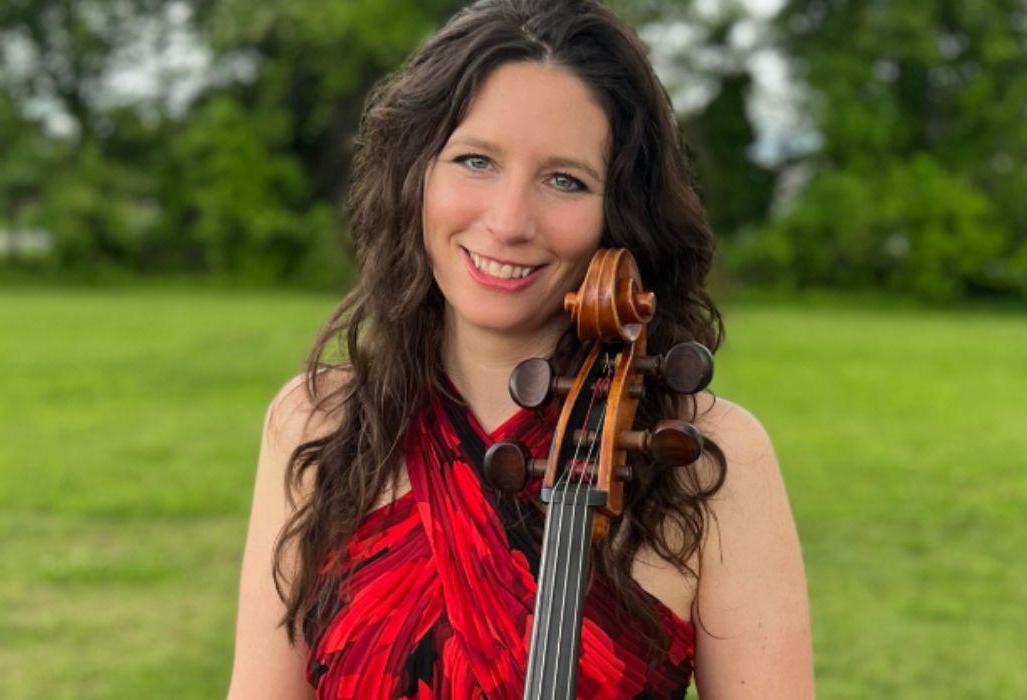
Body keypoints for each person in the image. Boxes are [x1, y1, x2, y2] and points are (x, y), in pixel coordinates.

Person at [228, 0, 814, 697]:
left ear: (620, 211)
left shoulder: (706, 457)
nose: (508, 222)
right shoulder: (317, 426)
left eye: (565, 180)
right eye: (475, 160)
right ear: (416, 175)